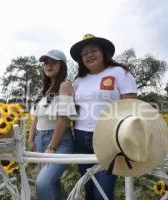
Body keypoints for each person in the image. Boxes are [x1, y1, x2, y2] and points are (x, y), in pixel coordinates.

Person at [70, 34, 137, 200]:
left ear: (104, 52)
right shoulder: (79, 80)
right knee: (88, 189)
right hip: (80, 137)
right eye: (84, 53)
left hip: (109, 138)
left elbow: (130, 106)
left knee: (103, 192)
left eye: (93, 50)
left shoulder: (120, 72)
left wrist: (124, 137)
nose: (89, 55)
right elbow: (71, 108)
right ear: (81, 59)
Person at [28, 49, 77, 200]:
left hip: (58, 141)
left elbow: (64, 119)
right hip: (40, 140)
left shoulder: (65, 85)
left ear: (61, 66)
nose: (48, 66)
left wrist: (52, 147)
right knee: (52, 184)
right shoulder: (43, 89)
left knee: (43, 183)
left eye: (53, 62)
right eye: (46, 63)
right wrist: (31, 140)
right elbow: (36, 118)